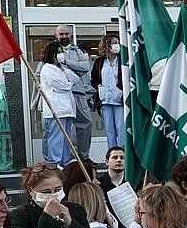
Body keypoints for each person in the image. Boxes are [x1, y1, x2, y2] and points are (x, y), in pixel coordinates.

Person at [54, 25, 95, 160]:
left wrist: (66, 62)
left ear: (70, 35)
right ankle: (59, 159)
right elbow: (44, 70)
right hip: (60, 95)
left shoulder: (77, 51)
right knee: (59, 127)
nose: (64, 36)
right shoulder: (51, 50)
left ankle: (84, 156)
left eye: (66, 34)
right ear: (56, 35)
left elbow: (85, 67)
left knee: (86, 123)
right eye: (61, 34)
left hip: (77, 92)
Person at [38, 42, 77, 168]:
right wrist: (69, 84)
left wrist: (64, 69)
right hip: (55, 109)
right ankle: (54, 163)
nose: (61, 55)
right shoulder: (47, 68)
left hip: (66, 109)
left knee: (66, 138)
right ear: (52, 54)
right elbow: (61, 86)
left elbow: (75, 79)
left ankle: (65, 162)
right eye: (58, 52)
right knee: (56, 138)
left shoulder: (61, 69)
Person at [90, 33, 123, 150]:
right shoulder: (99, 61)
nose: (117, 45)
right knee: (109, 129)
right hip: (105, 100)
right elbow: (93, 79)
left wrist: (121, 90)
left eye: (118, 43)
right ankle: (112, 154)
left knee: (121, 128)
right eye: (114, 43)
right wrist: (99, 86)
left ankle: (122, 153)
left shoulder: (123, 59)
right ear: (107, 45)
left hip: (119, 99)